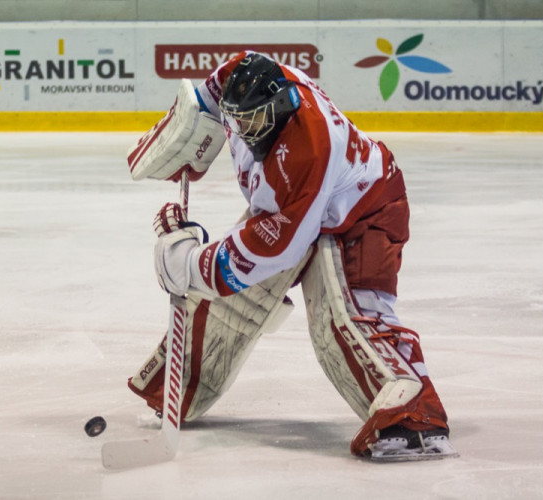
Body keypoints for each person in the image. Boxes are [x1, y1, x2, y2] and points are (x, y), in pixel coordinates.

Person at [127, 50, 457, 461]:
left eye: (252, 120)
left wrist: (190, 265)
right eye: (237, 119)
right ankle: (179, 388)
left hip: (363, 212)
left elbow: (273, 250)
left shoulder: (309, 148)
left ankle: (414, 421)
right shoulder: (238, 75)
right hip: (299, 205)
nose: (243, 129)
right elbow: (201, 106)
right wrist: (184, 141)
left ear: (281, 105)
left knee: (341, 320)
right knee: (230, 304)